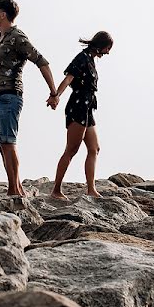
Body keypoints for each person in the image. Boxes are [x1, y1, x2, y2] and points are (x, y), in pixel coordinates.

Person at [0, 0, 58, 197]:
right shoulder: (1, 36)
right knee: (2, 144)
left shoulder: (17, 37)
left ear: (3, 14)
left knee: (8, 142)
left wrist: (53, 92)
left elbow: (41, 61)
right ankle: (16, 188)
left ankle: (14, 190)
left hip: (10, 96)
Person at [49, 31, 113, 199]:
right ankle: (56, 190)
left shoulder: (91, 60)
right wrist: (56, 96)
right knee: (71, 149)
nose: (108, 52)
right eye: (107, 48)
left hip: (88, 107)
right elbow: (69, 79)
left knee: (94, 148)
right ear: (101, 45)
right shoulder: (82, 58)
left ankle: (91, 189)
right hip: (78, 106)